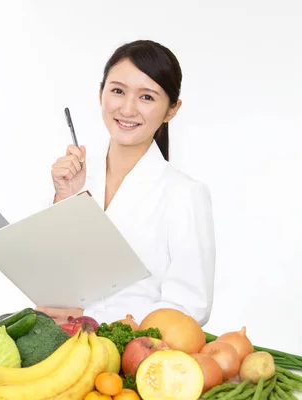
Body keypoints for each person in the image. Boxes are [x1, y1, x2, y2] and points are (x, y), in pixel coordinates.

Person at [36, 40, 216, 328]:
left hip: (131, 359)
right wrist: (65, 200)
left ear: (172, 110)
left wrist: (96, 320)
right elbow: (47, 278)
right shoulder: (74, 177)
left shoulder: (185, 194)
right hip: (59, 346)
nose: (128, 109)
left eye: (147, 97)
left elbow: (188, 308)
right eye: (118, 91)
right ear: (101, 93)